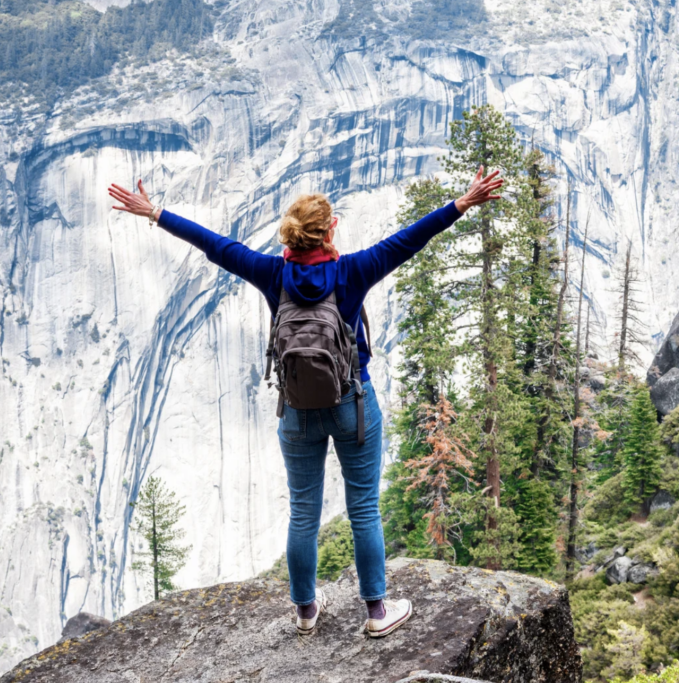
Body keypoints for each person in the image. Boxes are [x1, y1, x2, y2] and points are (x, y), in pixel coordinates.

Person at [108, 168, 503, 637]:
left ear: (290, 236)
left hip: (296, 408)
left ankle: (305, 612)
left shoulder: (271, 273)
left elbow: (215, 244)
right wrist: (461, 203)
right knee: (363, 509)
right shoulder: (354, 270)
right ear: (330, 230)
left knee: (302, 511)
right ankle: (377, 613)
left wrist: (155, 212)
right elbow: (409, 239)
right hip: (352, 403)